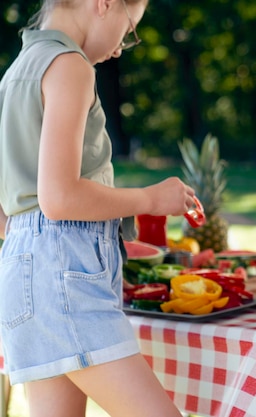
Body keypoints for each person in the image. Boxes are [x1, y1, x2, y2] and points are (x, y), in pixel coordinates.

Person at [0, 1, 191, 416]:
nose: (122, 47)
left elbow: (7, 212)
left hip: (21, 273)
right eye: (129, 28)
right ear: (104, 4)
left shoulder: (17, 71)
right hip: (64, 276)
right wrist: (151, 199)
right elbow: (60, 199)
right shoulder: (70, 66)